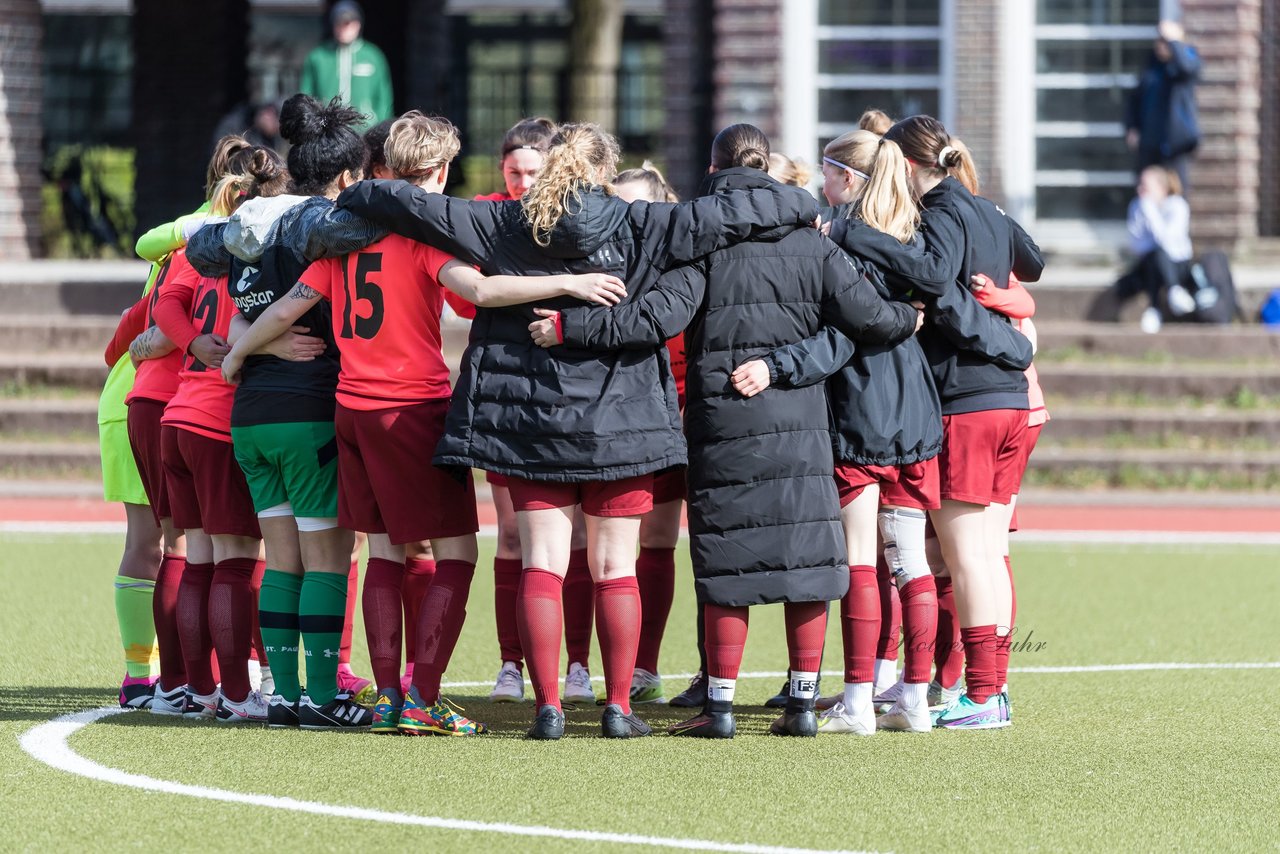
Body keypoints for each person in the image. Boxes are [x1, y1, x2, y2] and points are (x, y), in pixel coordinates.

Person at [337, 121, 823, 740]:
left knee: (542, 562)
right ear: (603, 172)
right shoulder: (644, 223)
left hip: (529, 419)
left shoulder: (502, 221)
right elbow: (751, 210)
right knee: (616, 565)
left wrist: (345, 200)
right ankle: (619, 708)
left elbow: (396, 198)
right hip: (625, 421)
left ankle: (548, 709)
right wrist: (803, 203)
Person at [220, 111, 627, 736]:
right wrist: (572, 279)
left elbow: (284, 308)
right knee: (457, 551)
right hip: (410, 409)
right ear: (437, 174)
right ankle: (422, 698)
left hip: (351, 410)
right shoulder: (422, 238)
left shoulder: (348, 238)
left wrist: (239, 353)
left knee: (383, 549)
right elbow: (484, 294)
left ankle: (387, 695)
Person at [530, 124, 922, 739]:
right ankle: (800, 705)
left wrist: (569, 329)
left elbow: (653, 318)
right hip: (797, 417)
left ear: (714, 170)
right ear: (766, 168)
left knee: (725, 562)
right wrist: (913, 313)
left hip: (720, 416)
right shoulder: (814, 240)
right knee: (807, 559)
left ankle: (719, 707)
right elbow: (871, 318)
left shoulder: (703, 242)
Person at [731, 127, 946, 734]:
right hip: (915, 412)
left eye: (827, 174)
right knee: (908, 561)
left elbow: (841, 337)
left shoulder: (846, 242)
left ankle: (856, 702)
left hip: (863, 411)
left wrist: (777, 365)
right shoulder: (911, 233)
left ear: (847, 180)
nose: (820, 186)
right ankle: (913, 697)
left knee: (858, 560)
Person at [185, 94, 387, 730]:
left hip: (250, 414)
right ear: (349, 177)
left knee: (282, 556)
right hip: (308, 410)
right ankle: (321, 698)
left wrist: (256, 340)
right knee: (327, 557)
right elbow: (380, 227)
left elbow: (196, 251)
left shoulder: (249, 221)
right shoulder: (321, 220)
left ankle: (282, 695)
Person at [840, 115, 1042, 729]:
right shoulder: (985, 208)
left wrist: (853, 235)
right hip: (1009, 402)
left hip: (970, 399)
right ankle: (990, 691)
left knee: (970, 557)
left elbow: (933, 279)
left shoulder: (942, 210)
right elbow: (1031, 259)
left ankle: (984, 694)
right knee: (985, 553)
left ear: (901, 165)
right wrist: (1012, 323)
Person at [149, 149, 293, 723]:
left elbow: (165, 303)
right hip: (217, 421)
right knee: (236, 562)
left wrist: (191, 344)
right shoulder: (264, 251)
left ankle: (200, 689)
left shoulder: (203, 243)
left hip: (178, 416)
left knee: (200, 559)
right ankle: (237, 695)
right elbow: (262, 322)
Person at [473, 117, 598, 707]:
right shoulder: (490, 217)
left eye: (533, 172)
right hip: (506, 387)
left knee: (575, 543)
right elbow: (459, 291)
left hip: (575, 389)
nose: (522, 183)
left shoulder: (578, 216)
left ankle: (577, 665)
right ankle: (509, 665)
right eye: (513, 172)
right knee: (516, 541)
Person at [611, 162, 683, 706]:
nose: (628, 220)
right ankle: (586, 667)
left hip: (681, 412)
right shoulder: (604, 260)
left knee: (663, 541)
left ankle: (647, 666)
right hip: (620, 413)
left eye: (638, 209)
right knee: (606, 549)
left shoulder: (683, 258)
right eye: (620, 208)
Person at [1111, 165, 1194, 334]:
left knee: (1158, 255)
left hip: (1177, 263)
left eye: (1146, 186)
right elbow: (1135, 244)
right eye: (1140, 185)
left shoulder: (1177, 206)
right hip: (1149, 264)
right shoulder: (1138, 206)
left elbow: (1166, 241)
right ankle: (1172, 292)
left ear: (1162, 188)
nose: (1140, 190)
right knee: (1152, 259)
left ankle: (1155, 308)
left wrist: (1150, 211)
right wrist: (1146, 209)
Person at [1126, 20, 1200, 191]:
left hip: (1175, 145)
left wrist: (1174, 41)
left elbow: (1187, 68)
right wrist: (1132, 126)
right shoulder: (1151, 67)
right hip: (1149, 143)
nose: (1161, 46)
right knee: (1145, 188)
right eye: (1160, 41)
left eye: (1166, 42)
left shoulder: (1187, 57)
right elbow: (1134, 99)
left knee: (1175, 191)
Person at [300, 0, 393, 127]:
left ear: (358, 24)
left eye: (347, 23)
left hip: (365, 130)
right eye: (339, 23)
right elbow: (307, 95)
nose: (343, 28)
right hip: (328, 131)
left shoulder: (373, 56)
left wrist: (380, 126)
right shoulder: (318, 57)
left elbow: (384, 98)